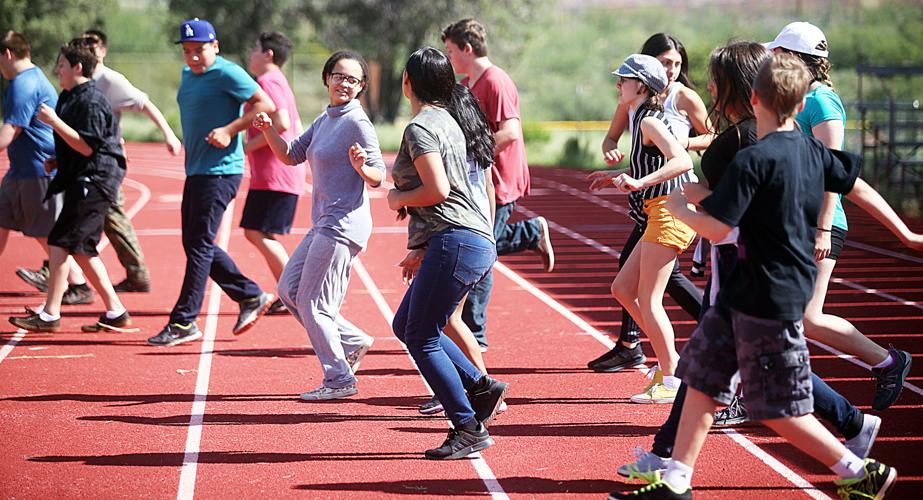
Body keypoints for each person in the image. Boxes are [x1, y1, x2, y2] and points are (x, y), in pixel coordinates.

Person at [609, 52, 923, 500]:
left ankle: (859, 469)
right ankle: (677, 479)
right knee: (701, 377)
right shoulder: (812, 150)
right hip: (750, 294)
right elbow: (857, 184)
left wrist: (680, 207)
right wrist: (907, 233)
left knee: (774, 405)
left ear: (754, 98)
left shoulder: (753, 159)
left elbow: (718, 227)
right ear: (800, 105)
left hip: (763, 296)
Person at [766, 21, 911, 413]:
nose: (773, 60)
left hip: (820, 225)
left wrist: (824, 226)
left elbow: (838, 171)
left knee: (806, 318)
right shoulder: (796, 98)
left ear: (797, 59)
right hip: (795, 221)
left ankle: (885, 363)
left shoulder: (822, 102)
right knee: (790, 317)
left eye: (779, 54)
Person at [389, 47, 509, 460]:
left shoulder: (422, 127)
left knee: (421, 337)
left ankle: (466, 425)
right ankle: (479, 386)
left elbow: (437, 191)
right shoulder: (454, 122)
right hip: (470, 238)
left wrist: (395, 196)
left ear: (408, 82)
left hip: (456, 239)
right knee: (406, 325)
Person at [253, 49, 383, 400]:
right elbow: (290, 154)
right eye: (339, 75)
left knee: (313, 303)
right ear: (327, 78)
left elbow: (378, 176)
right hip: (325, 222)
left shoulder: (357, 121)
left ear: (360, 87)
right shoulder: (326, 119)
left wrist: (361, 167)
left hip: (343, 224)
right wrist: (267, 131)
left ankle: (339, 378)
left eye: (352, 79)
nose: (344, 83)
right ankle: (353, 341)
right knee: (289, 291)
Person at [587, 33, 711, 375]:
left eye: (623, 80)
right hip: (657, 211)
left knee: (649, 298)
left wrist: (638, 182)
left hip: (669, 213)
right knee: (623, 289)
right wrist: (615, 174)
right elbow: (652, 165)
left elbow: (683, 162)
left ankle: (671, 373)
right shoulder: (642, 116)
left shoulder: (650, 121)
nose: (618, 87)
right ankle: (669, 361)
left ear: (640, 86)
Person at [147, 18, 275, 346]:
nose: (193, 57)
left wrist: (230, 130)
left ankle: (184, 321)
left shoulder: (227, 72)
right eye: (187, 51)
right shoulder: (188, 74)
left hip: (221, 171)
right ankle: (250, 295)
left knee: (200, 244)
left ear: (214, 46)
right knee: (193, 243)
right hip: (197, 170)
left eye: (200, 50)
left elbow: (266, 105)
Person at [442, 19, 554, 351]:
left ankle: (474, 332)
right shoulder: (468, 82)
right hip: (481, 180)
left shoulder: (495, 81)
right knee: (481, 247)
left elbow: (509, 133)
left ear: (467, 48)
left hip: (500, 180)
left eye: (450, 51)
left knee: (481, 252)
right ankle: (531, 233)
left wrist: (470, 153)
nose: (448, 57)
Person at [9, 38, 131, 333]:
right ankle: (116, 311)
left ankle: (50, 314)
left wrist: (52, 121)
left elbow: (88, 147)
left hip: (96, 180)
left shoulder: (90, 99)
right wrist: (57, 162)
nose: (57, 70)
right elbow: (75, 145)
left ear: (77, 67)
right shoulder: (69, 96)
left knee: (60, 242)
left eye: (62, 65)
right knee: (81, 247)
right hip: (83, 177)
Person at [1, 31, 93, 306]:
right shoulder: (27, 80)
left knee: (47, 234)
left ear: (7, 54)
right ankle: (77, 283)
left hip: (38, 170)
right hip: (21, 170)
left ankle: (78, 284)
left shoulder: (24, 85)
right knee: (3, 221)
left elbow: (10, 132)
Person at [243, 31, 304, 316]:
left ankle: (293, 291)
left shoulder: (268, 81)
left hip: (275, 173)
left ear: (268, 54)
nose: (251, 55)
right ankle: (290, 291)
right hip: (277, 172)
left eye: (255, 48)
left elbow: (280, 122)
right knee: (258, 232)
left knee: (256, 232)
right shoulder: (279, 81)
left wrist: (247, 145)